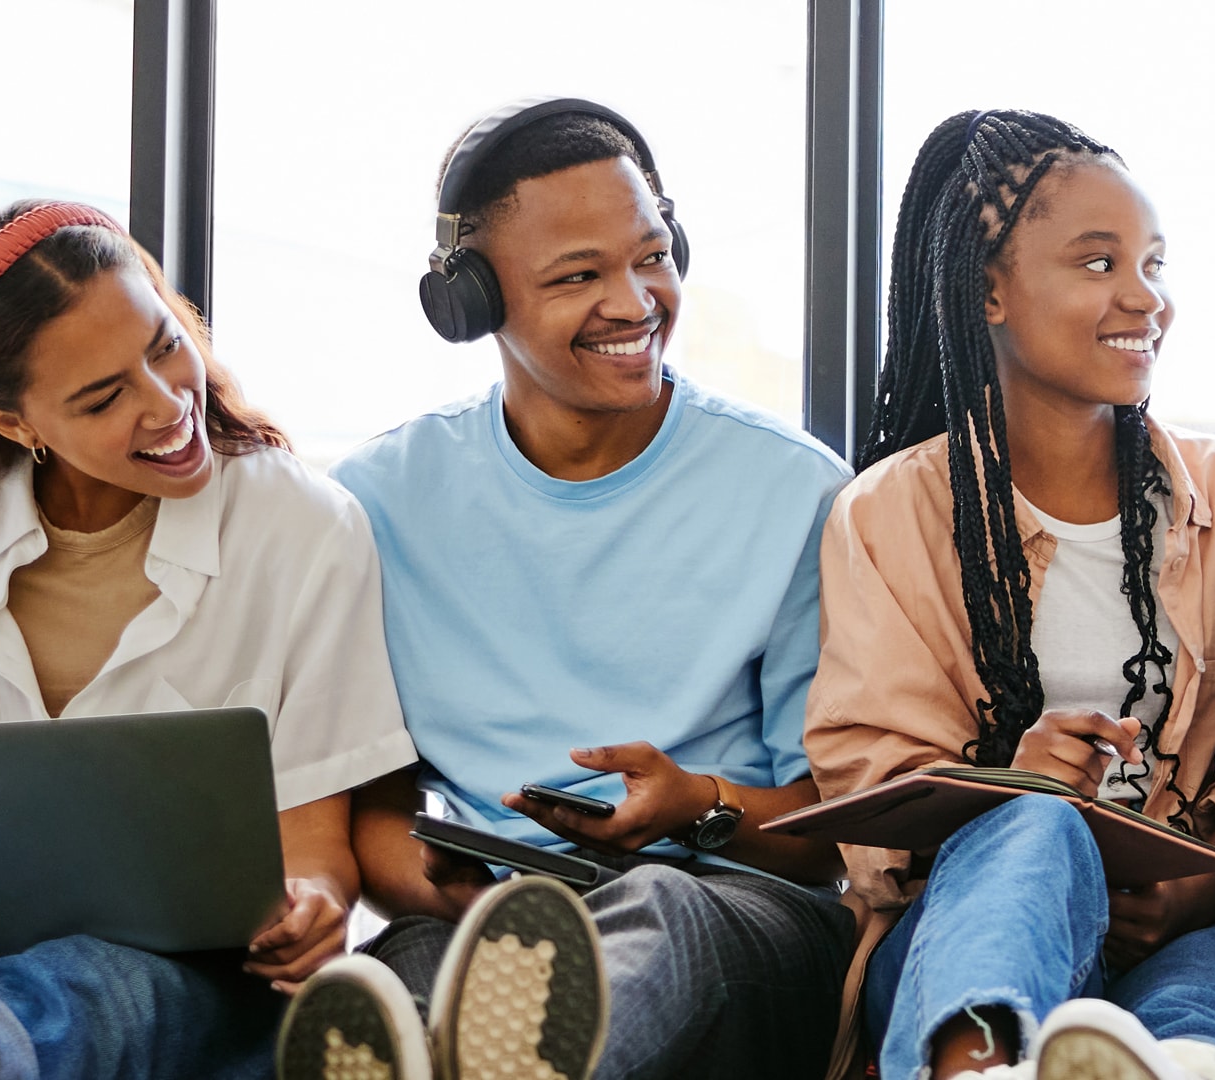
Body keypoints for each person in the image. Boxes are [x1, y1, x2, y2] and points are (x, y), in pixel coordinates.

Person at [276, 100, 854, 1080]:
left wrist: (695, 805)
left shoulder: (796, 490)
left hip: (733, 909)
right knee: (397, 982)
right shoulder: (378, 503)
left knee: (659, 912)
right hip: (488, 916)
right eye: (579, 276)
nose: (635, 303)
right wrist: (436, 880)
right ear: (471, 302)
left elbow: (826, 840)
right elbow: (366, 810)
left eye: (652, 255)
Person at [0, 201, 417, 1080]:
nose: (167, 402)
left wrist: (314, 906)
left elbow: (315, 846)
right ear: (10, 423)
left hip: (186, 982)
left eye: (163, 344)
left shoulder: (302, 527)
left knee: (95, 984)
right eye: (103, 396)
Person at [804, 109, 1215, 1080]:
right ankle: (976, 1065)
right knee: (1033, 829)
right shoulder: (891, 514)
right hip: (967, 930)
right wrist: (1011, 786)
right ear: (989, 290)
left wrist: (1203, 889)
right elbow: (872, 815)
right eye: (1096, 263)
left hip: (1195, 935)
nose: (1144, 298)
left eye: (1153, 264)